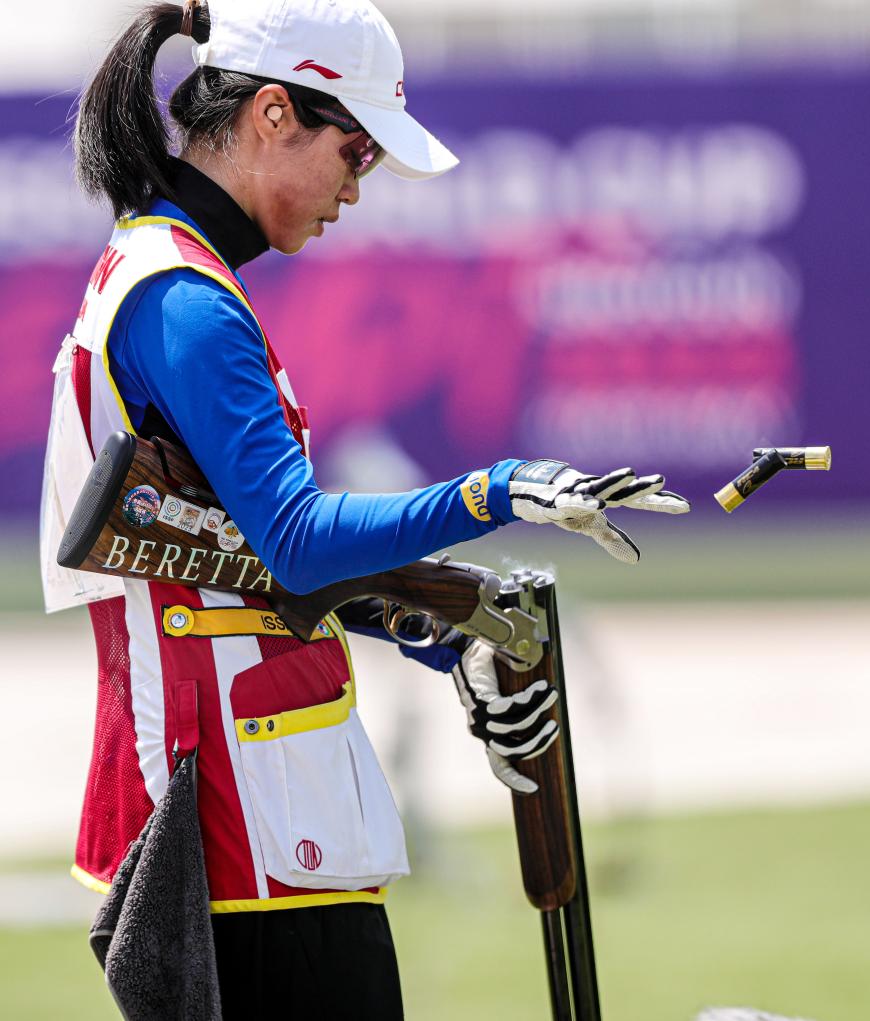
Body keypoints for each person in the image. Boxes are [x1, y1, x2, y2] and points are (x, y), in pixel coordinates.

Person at [40, 0, 689, 1015]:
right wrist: (496, 490)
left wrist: (451, 632)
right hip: (245, 824)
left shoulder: (167, 278)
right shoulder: (184, 300)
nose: (357, 187)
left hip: (250, 816)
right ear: (271, 114)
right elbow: (297, 543)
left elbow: (236, 556)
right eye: (355, 152)